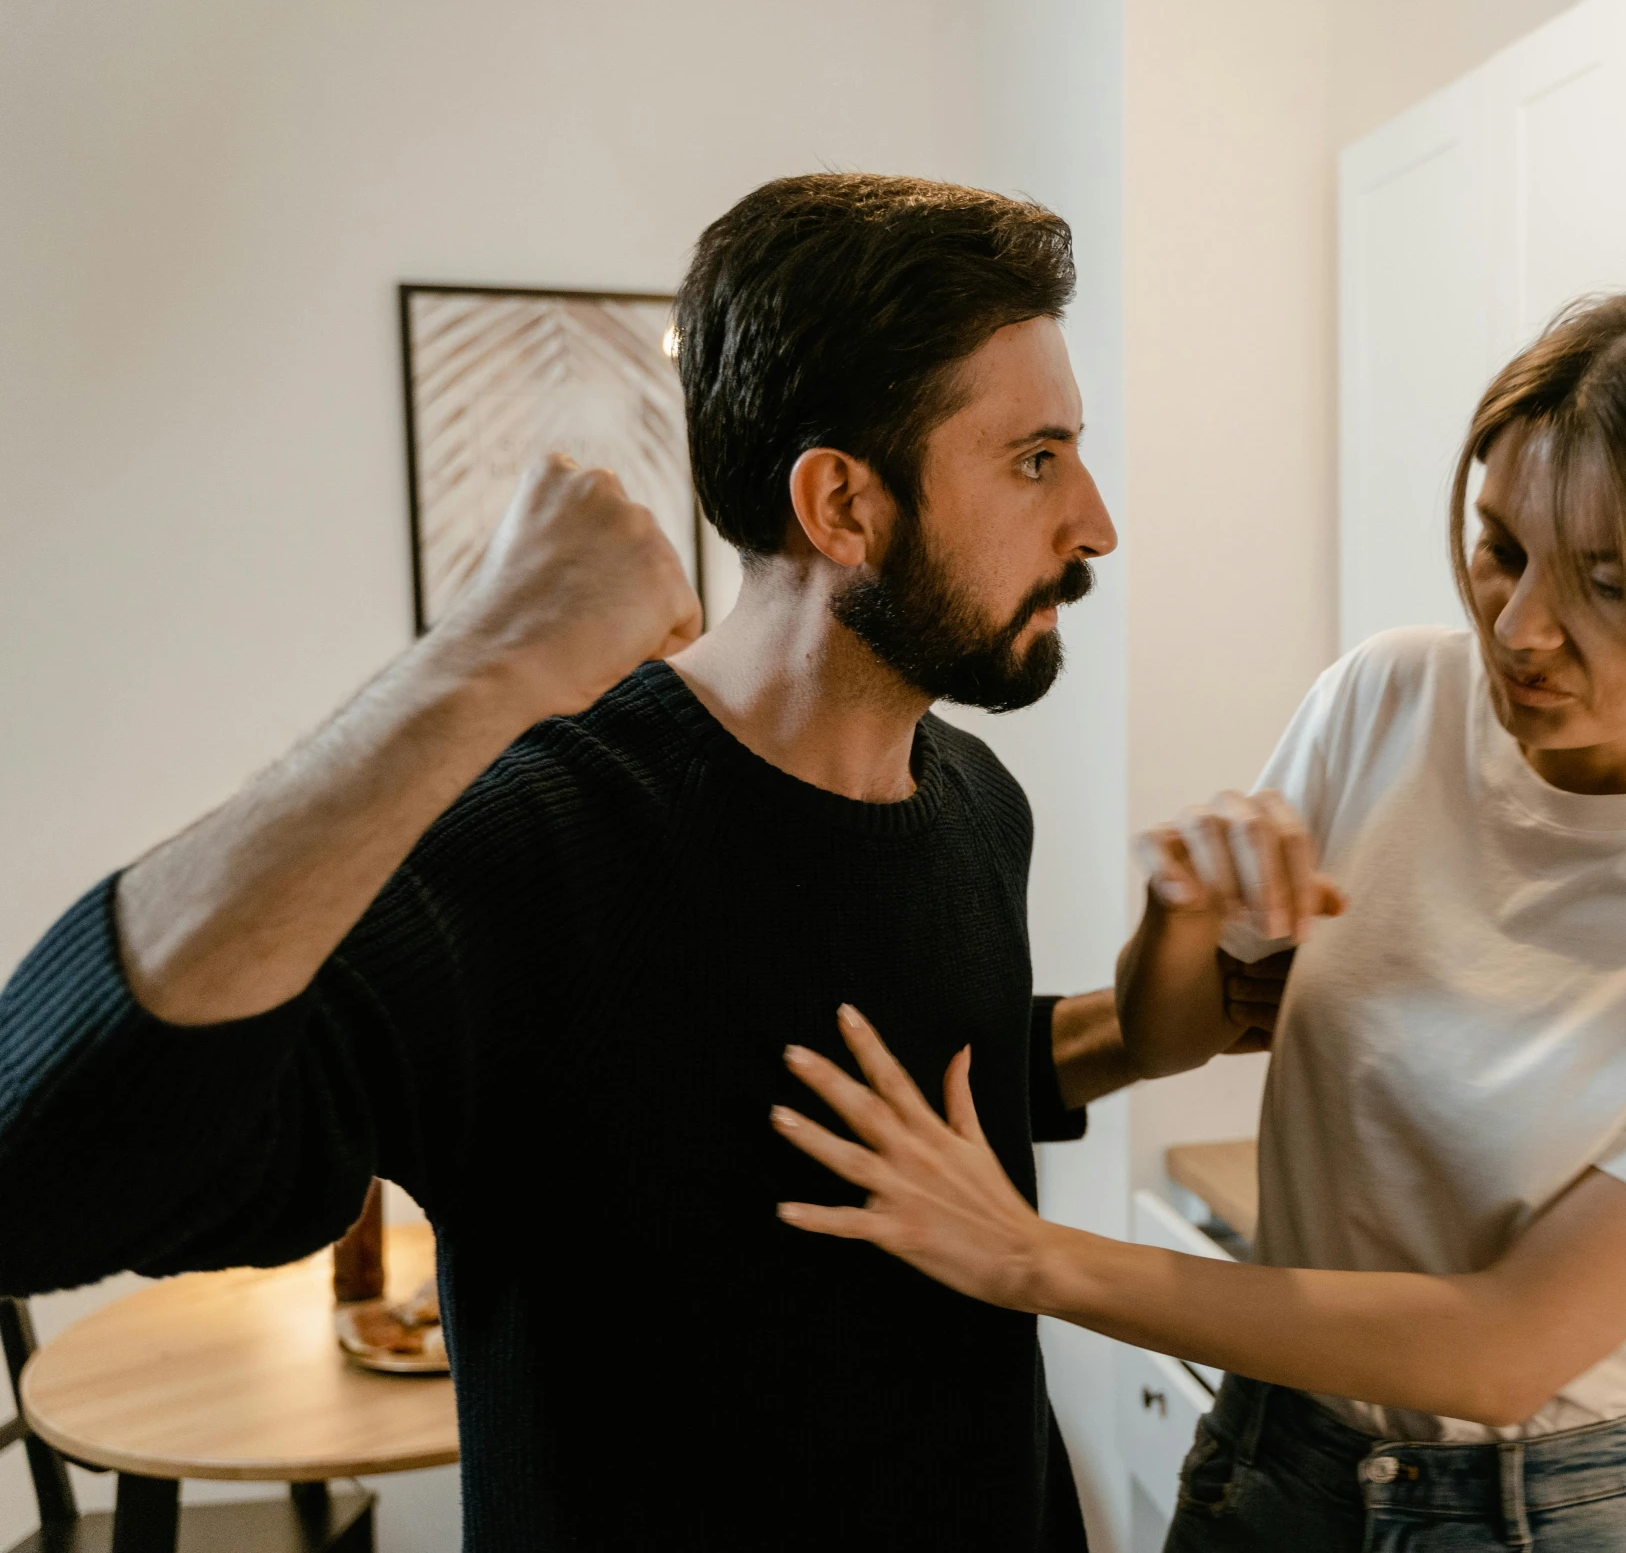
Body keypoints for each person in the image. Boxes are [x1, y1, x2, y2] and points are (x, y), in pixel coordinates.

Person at [0, 174, 1162, 1550]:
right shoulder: (532, 840)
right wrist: (470, 669)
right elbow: (34, 1174)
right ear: (843, 503)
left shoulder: (978, 800)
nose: (1093, 521)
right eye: (1034, 458)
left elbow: (808, 1091)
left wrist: (1140, 1031)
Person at [768, 281, 1626, 1552]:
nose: (1520, 624)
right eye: (1502, 546)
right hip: (1275, 1460)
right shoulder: (1391, 696)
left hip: (1546, 1511)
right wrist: (1181, 919)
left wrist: (1028, 1257)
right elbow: (1179, 1030)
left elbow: (1507, 1346)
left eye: (1608, 582)